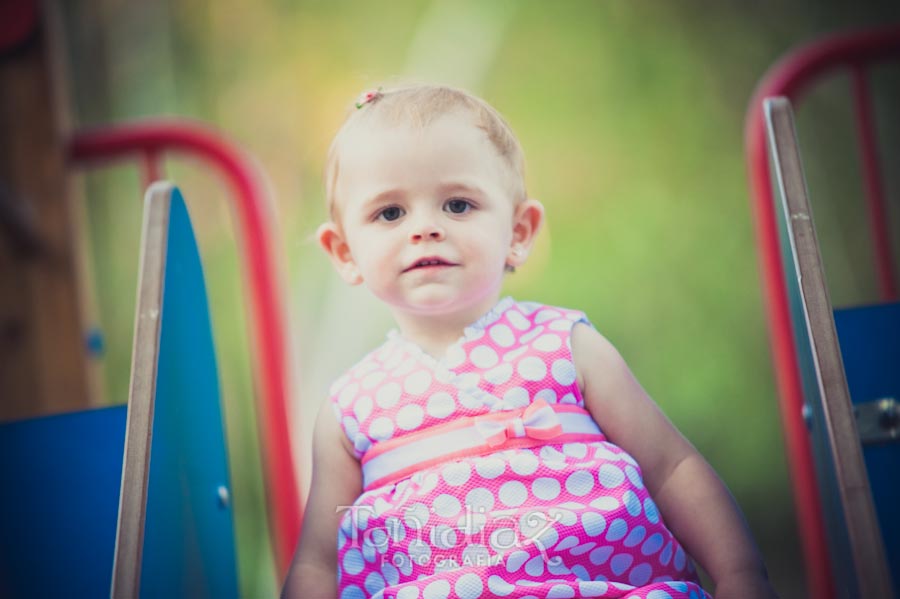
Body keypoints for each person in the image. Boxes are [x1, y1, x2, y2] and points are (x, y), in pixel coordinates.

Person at [282, 85, 776, 599]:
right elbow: (319, 561)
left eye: (457, 204)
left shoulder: (566, 347)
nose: (425, 228)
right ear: (343, 252)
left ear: (518, 230)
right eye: (390, 213)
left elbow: (671, 468)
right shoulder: (350, 408)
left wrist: (741, 574)